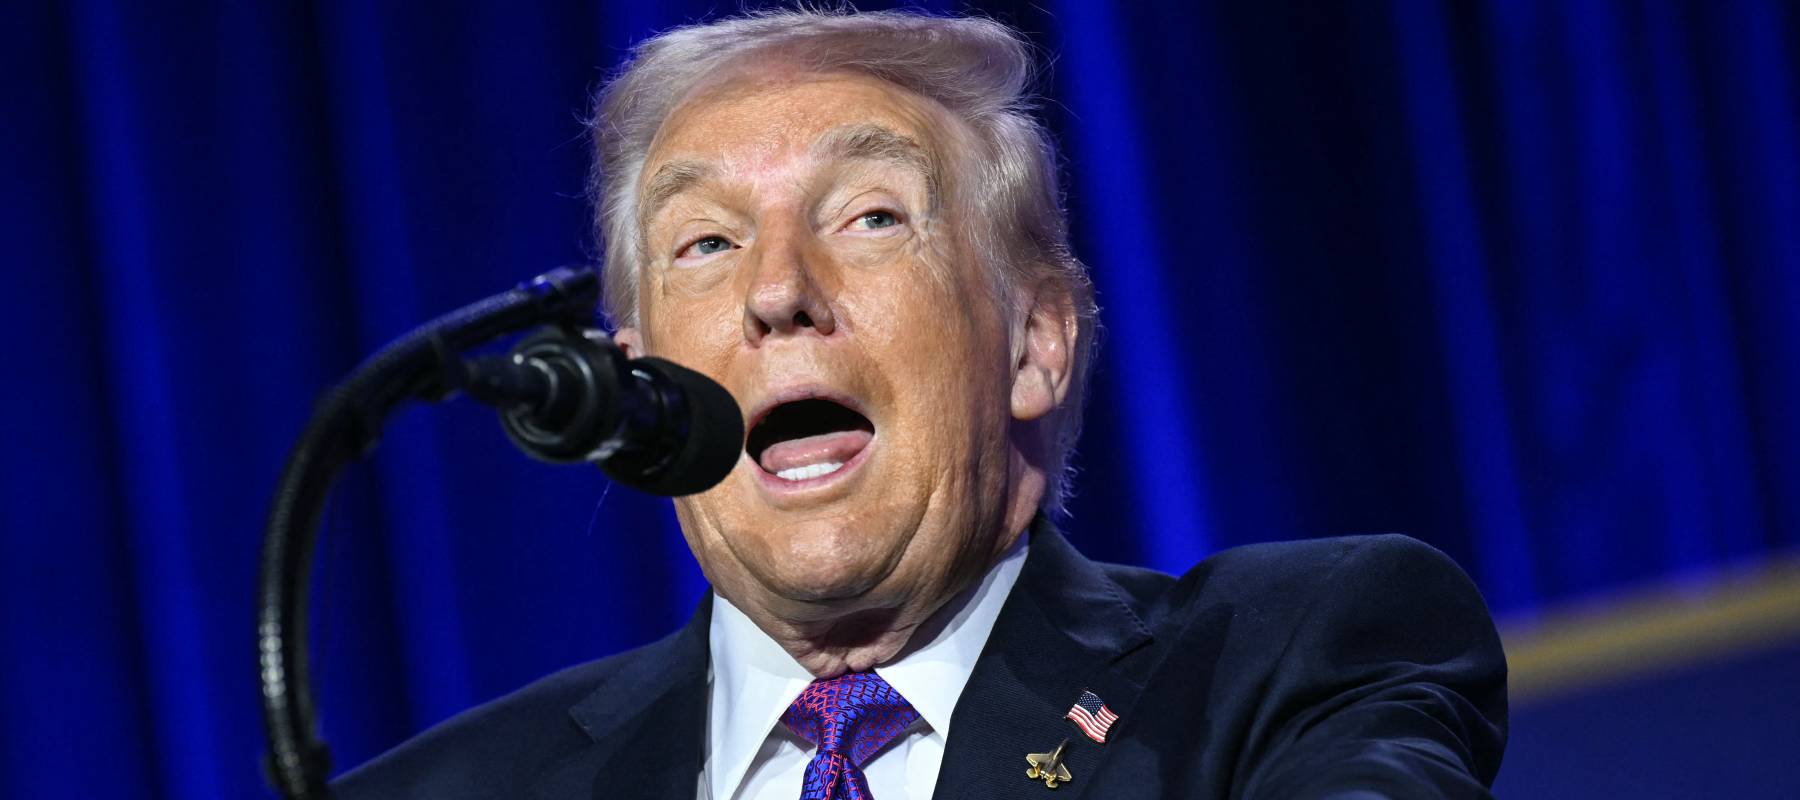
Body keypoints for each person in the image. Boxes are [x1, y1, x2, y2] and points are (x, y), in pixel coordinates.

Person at [335, 9, 1506, 799]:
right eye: (704, 241)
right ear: (636, 383)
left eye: (871, 217)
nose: (778, 291)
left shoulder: (1295, 662)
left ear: (1035, 341)